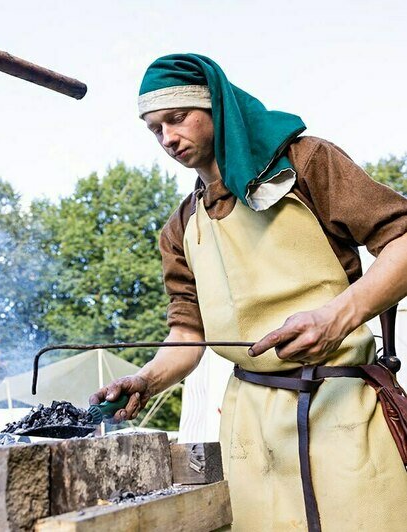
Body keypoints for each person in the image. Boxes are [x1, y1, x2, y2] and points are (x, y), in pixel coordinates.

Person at [90, 53, 407, 531]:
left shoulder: (305, 163)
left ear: (215, 106)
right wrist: (146, 379)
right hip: (249, 429)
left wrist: (337, 317)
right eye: (155, 128)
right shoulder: (180, 228)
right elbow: (186, 336)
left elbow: (402, 242)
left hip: (341, 409)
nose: (168, 138)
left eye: (177, 118)